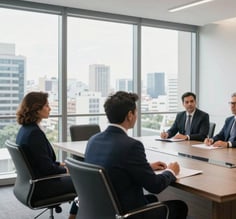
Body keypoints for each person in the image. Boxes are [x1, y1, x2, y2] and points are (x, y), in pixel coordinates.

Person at [85, 91, 188, 219]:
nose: (136, 116)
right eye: (136, 112)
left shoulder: (93, 140)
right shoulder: (131, 145)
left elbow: (113, 168)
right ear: (130, 115)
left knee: (152, 199)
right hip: (126, 213)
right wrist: (171, 172)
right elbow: (155, 186)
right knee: (179, 206)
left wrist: (147, 167)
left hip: (103, 209)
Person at [15, 92, 77, 219]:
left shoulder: (25, 130)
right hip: (43, 186)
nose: (50, 108)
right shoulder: (34, 134)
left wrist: (60, 164)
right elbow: (47, 169)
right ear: (36, 109)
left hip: (30, 183)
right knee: (84, 182)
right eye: (47, 105)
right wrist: (67, 170)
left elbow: (39, 161)